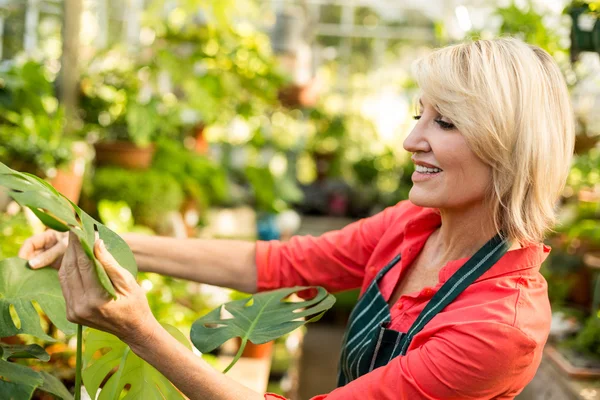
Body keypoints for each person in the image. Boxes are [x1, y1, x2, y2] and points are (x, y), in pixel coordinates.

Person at [19, 37, 574, 400]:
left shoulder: (497, 326)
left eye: (445, 123)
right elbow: (276, 263)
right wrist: (98, 239)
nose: (411, 140)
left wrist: (140, 331)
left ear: (510, 146)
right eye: (417, 115)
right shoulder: (414, 225)